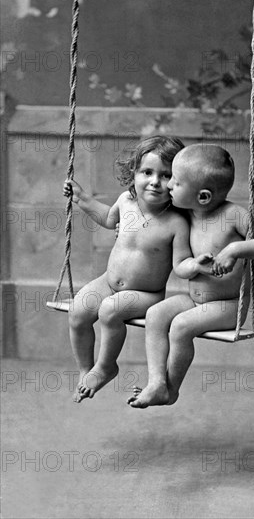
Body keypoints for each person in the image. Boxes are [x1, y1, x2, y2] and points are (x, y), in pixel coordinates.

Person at [128, 144, 254, 408]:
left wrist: (235, 249)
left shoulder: (233, 216)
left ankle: (170, 389)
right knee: (156, 315)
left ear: (203, 197)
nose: (168, 186)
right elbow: (150, 213)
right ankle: (156, 382)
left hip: (228, 306)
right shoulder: (186, 212)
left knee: (181, 326)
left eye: (175, 181)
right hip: (195, 299)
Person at [63, 135, 211, 403]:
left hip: (146, 293)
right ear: (133, 173)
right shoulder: (125, 202)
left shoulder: (176, 223)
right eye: (147, 172)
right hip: (108, 282)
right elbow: (108, 218)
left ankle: (106, 366)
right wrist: (82, 199)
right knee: (78, 312)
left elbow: (180, 265)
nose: (155, 181)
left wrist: (196, 266)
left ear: (179, 183)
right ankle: (86, 367)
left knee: (110, 310)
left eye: (166, 176)